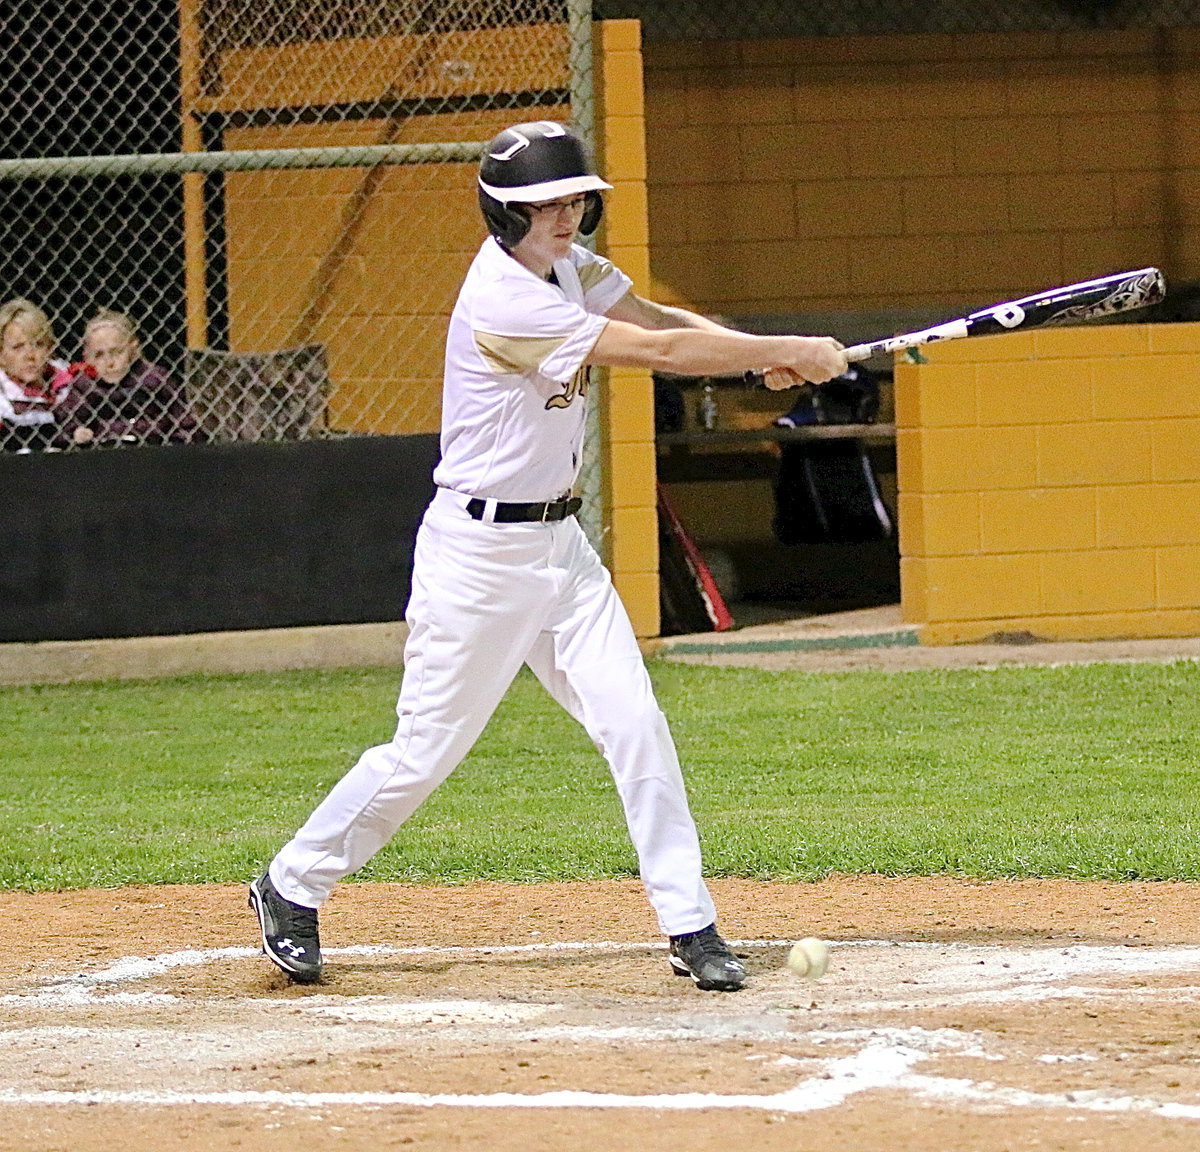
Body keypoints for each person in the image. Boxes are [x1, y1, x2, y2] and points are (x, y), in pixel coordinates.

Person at [249, 120, 847, 993]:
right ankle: (291, 884)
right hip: (478, 558)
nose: (564, 216)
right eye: (542, 205)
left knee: (634, 722)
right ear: (502, 213)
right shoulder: (506, 299)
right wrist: (780, 352)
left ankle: (690, 924)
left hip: (560, 549)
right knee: (425, 752)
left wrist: (753, 366)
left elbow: (656, 319)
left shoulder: (572, 270)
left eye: (572, 200)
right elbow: (653, 353)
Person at [56, 309, 197, 447]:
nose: (109, 362)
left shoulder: (155, 379)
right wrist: (76, 432)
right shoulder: (85, 385)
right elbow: (67, 421)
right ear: (87, 356)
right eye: (99, 355)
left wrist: (175, 445)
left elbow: (185, 421)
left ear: (133, 348)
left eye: (116, 352)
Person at [0, 298, 74, 452]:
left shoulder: (73, 384)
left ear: (49, 349)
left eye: (38, 344)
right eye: (18, 347)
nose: (30, 355)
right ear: (1, 355)